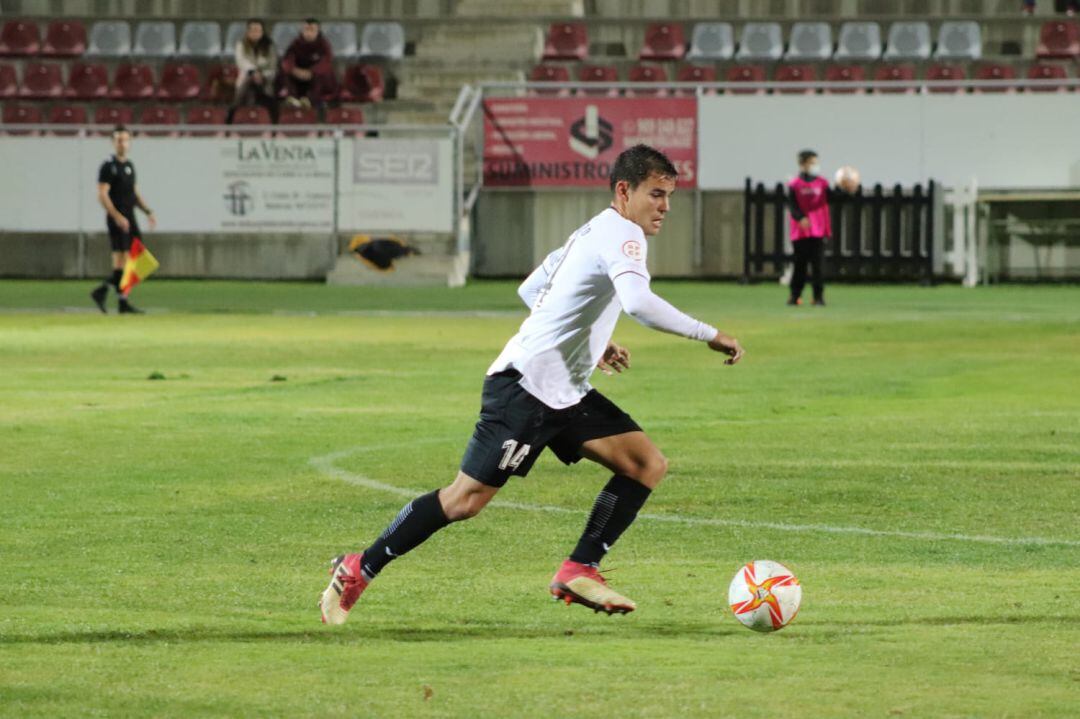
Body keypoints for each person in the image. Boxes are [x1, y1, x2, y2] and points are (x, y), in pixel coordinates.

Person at [319, 145, 745, 624]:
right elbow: (639, 303)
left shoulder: (588, 233)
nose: (665, 206)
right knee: (464, 501)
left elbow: (532, 289)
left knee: (645, 463)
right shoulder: (623, 234)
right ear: (624, 191)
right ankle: (360, 567)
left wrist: (594, 341)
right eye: (657, 194)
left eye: (670, 196)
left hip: (565, 390)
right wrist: (710, 334)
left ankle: (580, 567)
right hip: (524, 389)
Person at [90, 125, 156, 314]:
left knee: (139, 261)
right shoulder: (108, 166)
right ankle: (121, 301)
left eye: (125, 140)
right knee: (121, 260)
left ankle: (104, 290)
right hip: (117, 218)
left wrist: (147, 211)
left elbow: (134, 193)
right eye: (119, 140)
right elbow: (102, 194)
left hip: (130, 216)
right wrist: (117, 216)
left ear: (130, 142)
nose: (122, 144)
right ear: (113, 142)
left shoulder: (129, 166)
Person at [786, 149, 830, 307]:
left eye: (815, 163)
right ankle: (795, 296)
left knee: (818, 265)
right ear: (803, 164)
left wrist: (848, 189)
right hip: (800, 231)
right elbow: (792, 205)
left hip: (818, 229)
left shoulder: (822, 183)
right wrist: (800, 218)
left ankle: (818, 297)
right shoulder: (795, 184)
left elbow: (832, 198)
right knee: (800, 265)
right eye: (812, 163)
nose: (815, 166)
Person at [278, 18, 336, 110]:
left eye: (312, 30)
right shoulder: (296, 43)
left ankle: (310, 101)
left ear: (318, 31)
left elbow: (326, 62)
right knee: (285, 73)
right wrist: (294, 70)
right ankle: (293, 99)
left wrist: (312, 72)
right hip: (298, 76)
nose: (309, 33)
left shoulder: (323, 45)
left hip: (315, 78)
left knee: (325, 74)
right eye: (306, 29)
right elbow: (287, 60)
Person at [230, 18, 277, 123]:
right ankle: (232, 116)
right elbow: (241, 62)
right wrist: (253, 72)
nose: (255, 33)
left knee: (266, 92)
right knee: (247, 83)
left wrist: (262, 75)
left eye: (258, 30)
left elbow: (272, 66)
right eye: (252, 30)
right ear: (248, 32)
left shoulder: (270, 46)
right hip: (247, 76)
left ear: (262, 32)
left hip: (265, 79)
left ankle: (273, 123)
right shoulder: (241, 45)